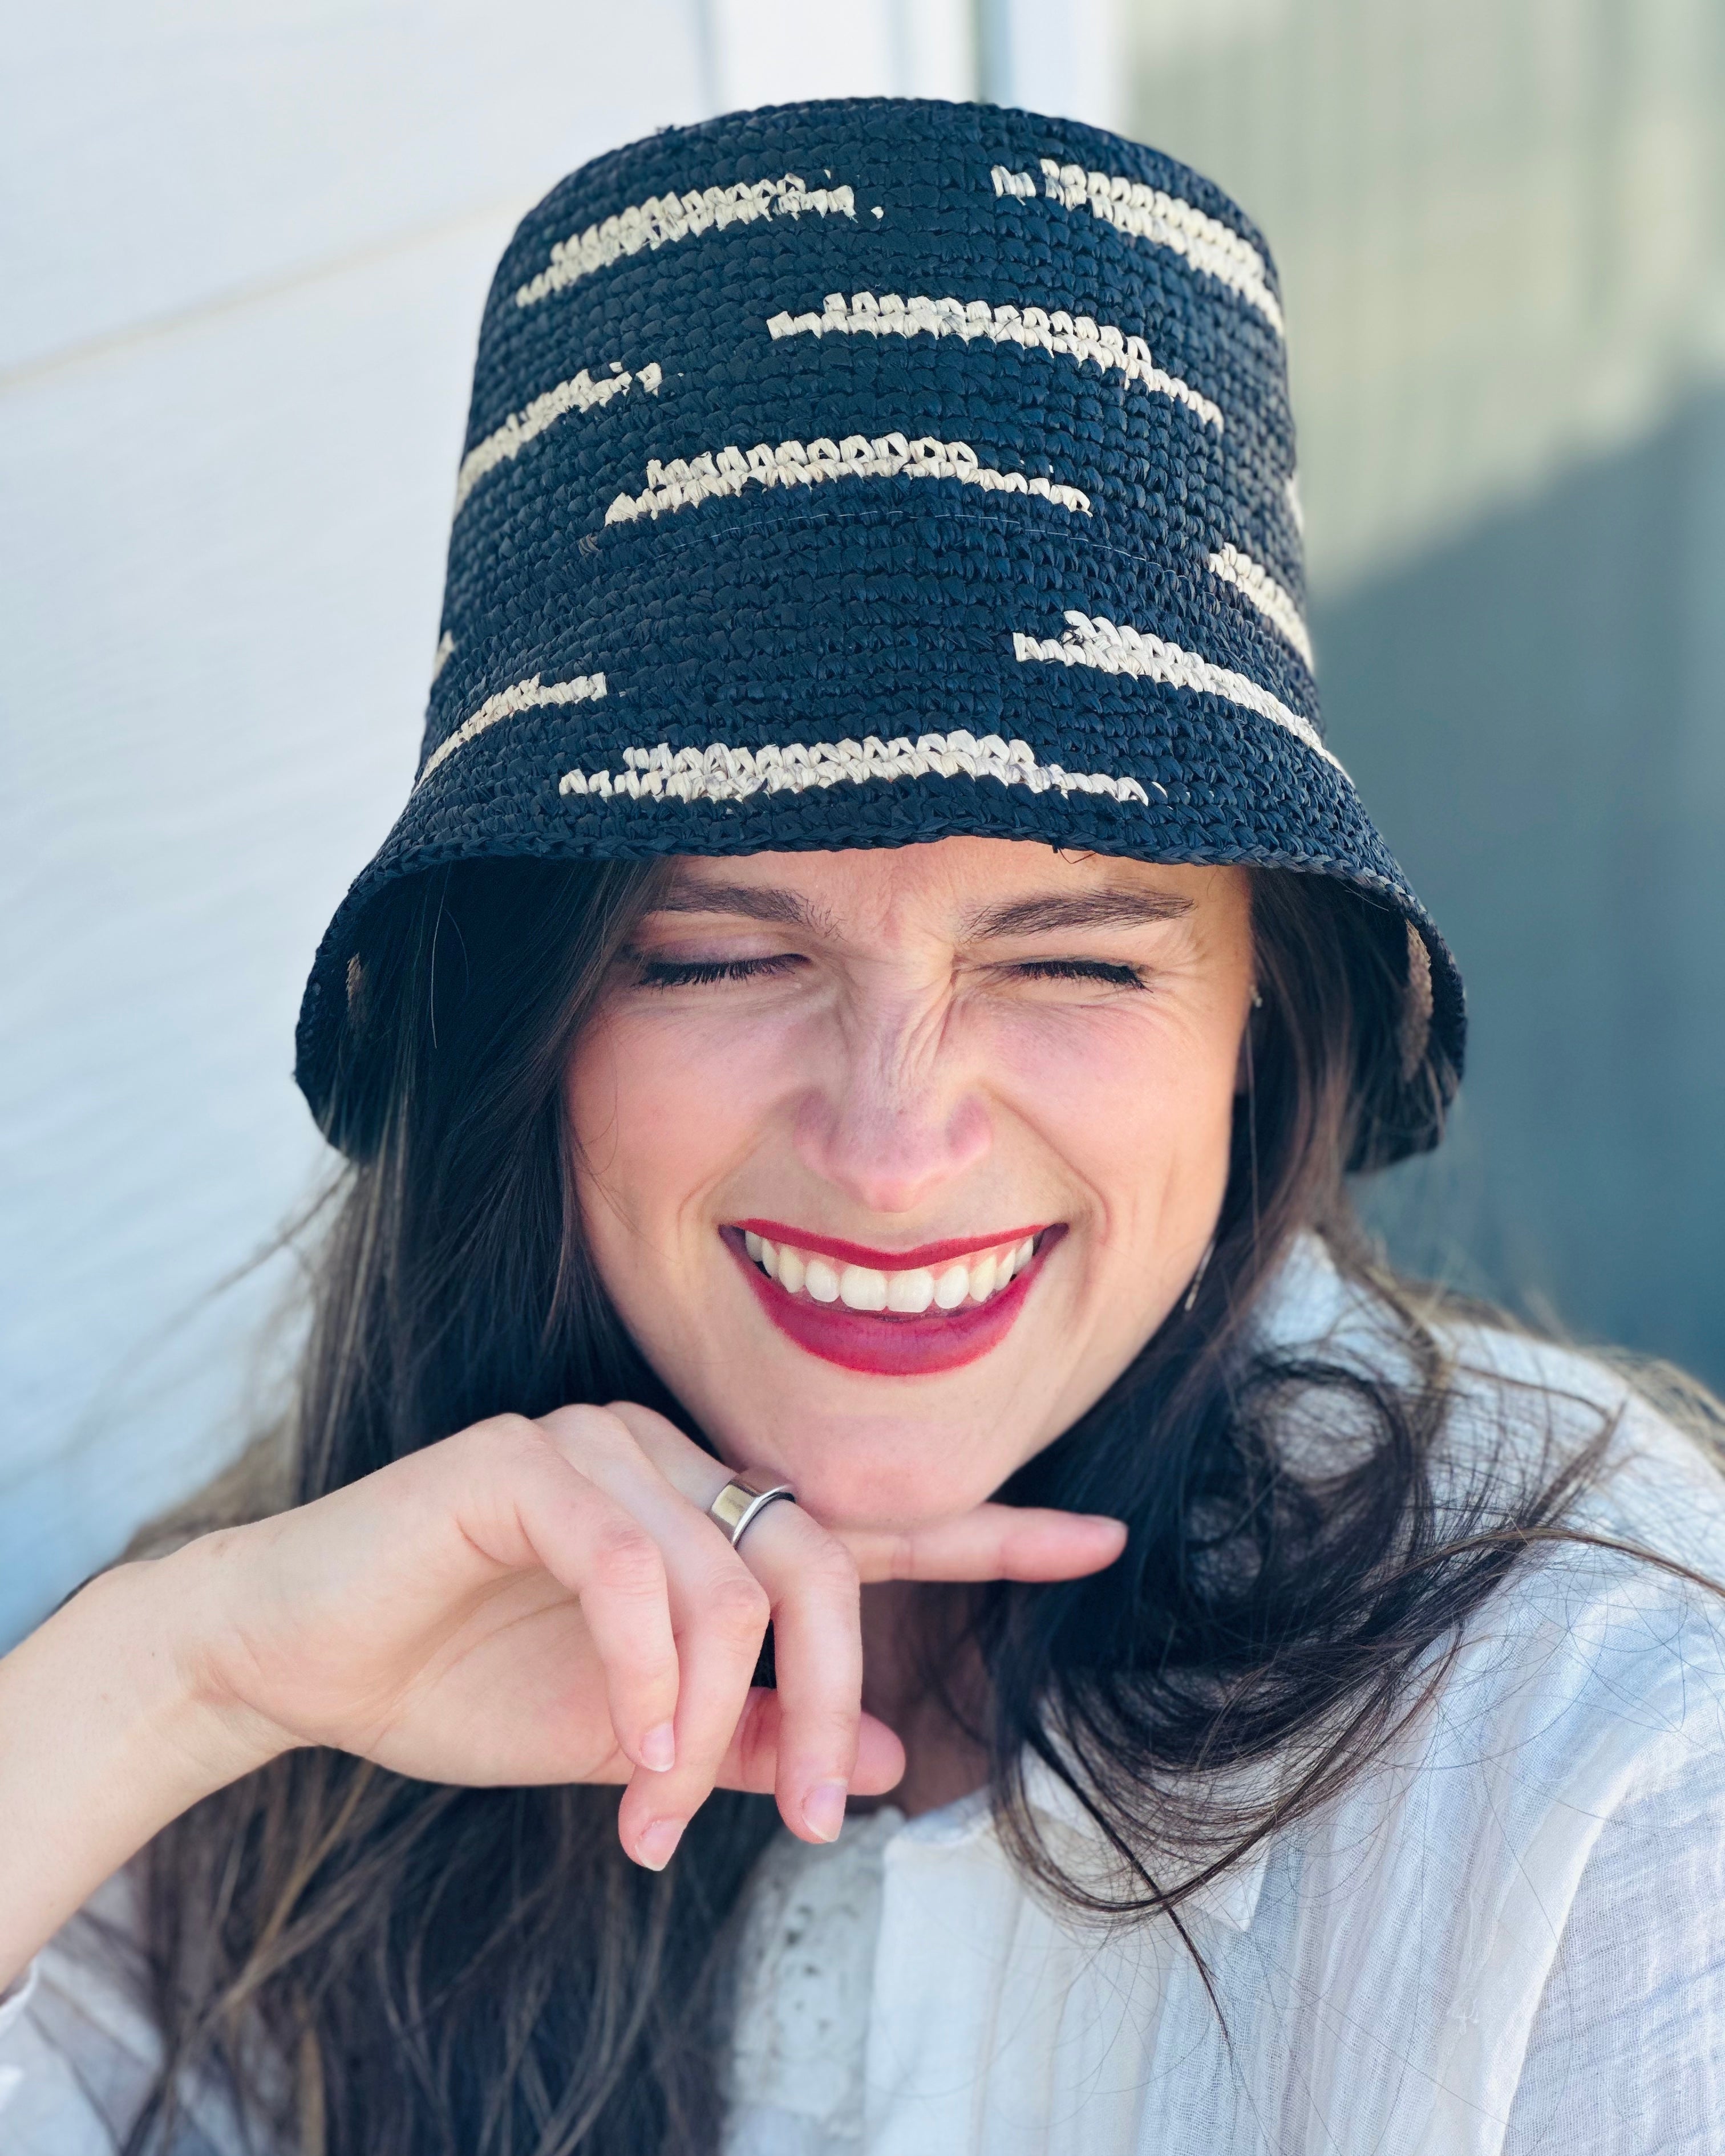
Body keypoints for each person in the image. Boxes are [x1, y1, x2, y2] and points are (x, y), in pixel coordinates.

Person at [2, 94, 1722, 2156]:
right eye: (721, 956)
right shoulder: (311, 1690)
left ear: (1258, 1019)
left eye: (1074, 959)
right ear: (521, 1034)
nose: (896, 1145)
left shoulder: (1607, 1763)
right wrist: (177, 1684)